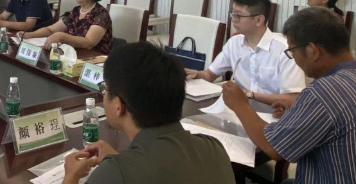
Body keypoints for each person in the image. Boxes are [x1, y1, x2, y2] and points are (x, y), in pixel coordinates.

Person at [222, 7, 356, 183]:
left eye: (292, 52)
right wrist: (300, 110)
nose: (293, 59)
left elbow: (273, 148)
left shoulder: (323, 92)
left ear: (312, 50)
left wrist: (240, 104)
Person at [62, 43, 235, 184]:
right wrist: (121, 160)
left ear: (119, 106)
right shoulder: (214, 148)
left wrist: (71, 177)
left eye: (105, 89)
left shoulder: (112, 174)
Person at [185, 0, 305, 106]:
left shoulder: (285, 51)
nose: (233, 20)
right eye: (233, 14)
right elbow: (210, 74)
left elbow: (292, 98)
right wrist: (197, 74)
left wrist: (249, 95)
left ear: (259, 20)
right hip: (236, 111)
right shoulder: (234, 43)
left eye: (238, 15)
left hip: (272, 115)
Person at [21, 0, 113, 53]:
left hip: (94, 60)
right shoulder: (76, 11)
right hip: (72, 56)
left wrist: (61, 36)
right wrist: (29, 34)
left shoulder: (101, 14)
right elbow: (51, 30)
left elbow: (89, 43)